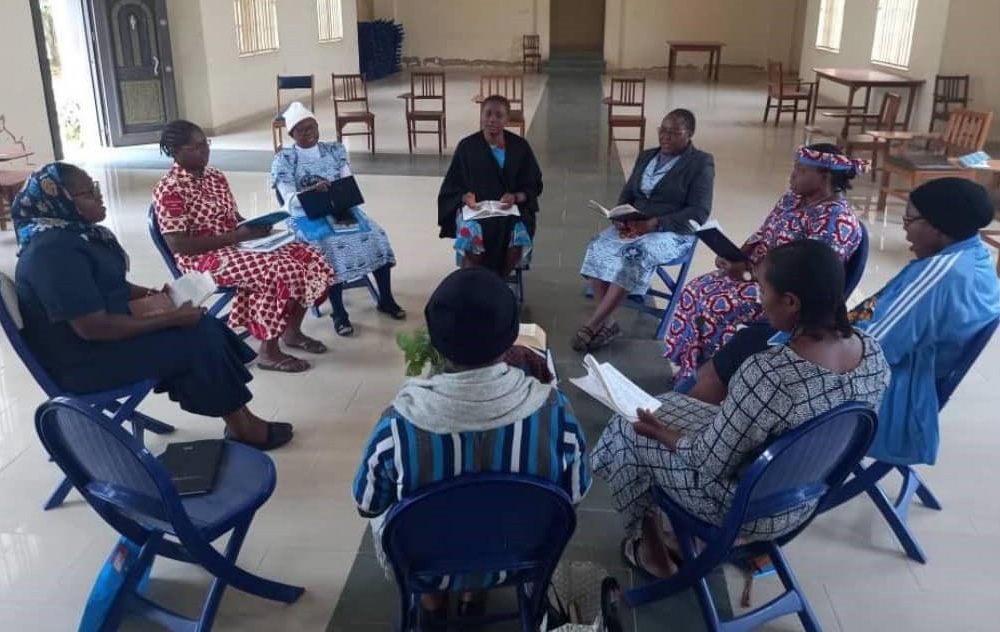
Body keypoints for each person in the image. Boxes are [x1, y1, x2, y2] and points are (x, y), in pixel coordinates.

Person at [591, 239, 889, 578]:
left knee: (628, 428)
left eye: (763, 292)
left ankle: (653, 552)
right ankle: (667, 535)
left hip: (744, 507)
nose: (760, 304)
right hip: (804, 494)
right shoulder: (873, 353)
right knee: (668, 405)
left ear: (790, 302)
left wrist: (661, 433)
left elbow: (707, 461)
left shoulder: (770, 373)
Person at [687, 178, 1000, 466]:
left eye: (909, 220)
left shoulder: (941, 276)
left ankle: (699, 446)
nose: (904, 230)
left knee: (746, 353)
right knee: (754, 339)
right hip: (894, 371)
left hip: (882, 397)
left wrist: (795, 341)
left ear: (939, 227)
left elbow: (873, 348)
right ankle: (707, 422)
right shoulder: (973, 258)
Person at [352, 267, 590, 623]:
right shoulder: (556, 412)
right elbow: (575, 493)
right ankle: (473, 596)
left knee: (400, 507)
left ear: (434, 340)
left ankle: (432, 607)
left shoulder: (398, 424)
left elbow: (367, 503)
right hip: (518, 559)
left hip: (426, 566)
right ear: (512, 339)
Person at [13, 163, 293, 450]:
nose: (99, 197)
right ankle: (243, 427)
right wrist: (171, 318)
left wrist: (155, 295)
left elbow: (111, 286)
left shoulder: (77, 235)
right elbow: (93, 327)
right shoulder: (53, 252)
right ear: (57, 202)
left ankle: (240, 417)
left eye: (95, 187)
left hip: (100, 338)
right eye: (87, 194)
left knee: (202, 323)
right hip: (83, 362)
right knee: (195, 339)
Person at [663, 144, 866, 381]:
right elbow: (762, 235)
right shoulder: (792, 200)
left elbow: (809, 278)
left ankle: (718, 377)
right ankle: (691, 369)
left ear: (825, 176)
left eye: (800, 170)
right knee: (693, 290)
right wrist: (734, 254)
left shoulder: (835, 220)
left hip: (784, 293)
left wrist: (751, 275)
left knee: (715, 306)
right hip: (757, 273)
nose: (792, 176)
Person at [153, 120, 335, 374]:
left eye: (206, 144)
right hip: (202, 257)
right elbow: (178, 244)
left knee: (310, 257)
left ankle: (292, 331)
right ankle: (268, 352)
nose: (205, 151)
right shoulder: (170, 188)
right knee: (275, 271)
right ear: (176, 151)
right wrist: (235, 237)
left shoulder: (215, 176)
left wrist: (259, 228)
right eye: (196, 147)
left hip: (237, 243)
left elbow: (233, 218)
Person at [574, 109, 715, 351]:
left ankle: (595, 322)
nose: (665, 137)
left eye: (674, 132)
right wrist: (620, 215)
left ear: (689, 134)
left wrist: (657, 223)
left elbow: (699, 212)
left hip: (673, 232)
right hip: (637, 224)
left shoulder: (700, 163)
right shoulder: (647, 156)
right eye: (663, 130)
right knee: (597, 245)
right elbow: (628, 193)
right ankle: (609, 321)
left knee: (635, 255)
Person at [271, 102, 405, 336]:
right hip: (305, 215)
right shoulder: (285, 159)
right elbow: (288, 198)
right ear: (291, 133)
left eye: (312, 127)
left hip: (340, 208)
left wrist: (336, 190)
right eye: (301, 130)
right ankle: (339, 312)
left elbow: (348, 181)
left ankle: (386, 298)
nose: (309, 133)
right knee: (328, 246)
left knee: (375, 234)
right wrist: (313, 191)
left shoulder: (334, 150)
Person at [437, 95, 543, 278]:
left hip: (509, 211)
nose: (492, 119)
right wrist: (464, 197)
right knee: (470, 230)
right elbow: (451, 186)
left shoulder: (520, 147)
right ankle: (479, 278)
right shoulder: (467, 147)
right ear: (481, 116)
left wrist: (517, 196)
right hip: (476, 210)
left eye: (499, 115)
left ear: (507, 120)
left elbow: (534, 186)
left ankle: (499, 281)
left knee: (519, 232)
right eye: (488, 114)